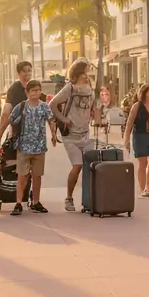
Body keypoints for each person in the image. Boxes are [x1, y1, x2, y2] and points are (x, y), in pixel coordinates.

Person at [50, 58, 103, 212]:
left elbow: (94, 107)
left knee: (92, 167)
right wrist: (64, 119)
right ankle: (69, 198)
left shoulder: (90, 89)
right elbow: (52, 104)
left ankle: (90, 199)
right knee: (77, 165)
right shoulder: (70, 88)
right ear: (79, 72)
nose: (88, 75)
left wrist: (97, 117)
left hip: (85, 134)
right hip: (71, 136)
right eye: (86, 72)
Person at [8, 79, 58, 216]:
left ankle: (36, 201)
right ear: (27, 92)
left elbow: (50, 120)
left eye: (38, 90)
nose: (36, 93)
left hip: (40, 147)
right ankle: (18, 203)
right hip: (24, 147)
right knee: (22, 176)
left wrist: (54, 134)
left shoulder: (44, 107)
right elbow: (11, 119)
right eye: (33, 90)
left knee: (37, 176)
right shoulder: (21, 106)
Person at [123, 83, 149, 197]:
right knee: (142, 162)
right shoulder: (137, 106)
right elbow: (130, 122)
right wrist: (126, 139)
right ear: (144, 94)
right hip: (140, 135)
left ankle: (148, 187)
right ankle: (142, 189)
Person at [0, 60, 32, 149]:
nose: (27, 73)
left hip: (35, 136)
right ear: (18, 73)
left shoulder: (34, 88)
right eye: (24, 71)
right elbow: (6, 113)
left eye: (29, 70)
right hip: (19, 133)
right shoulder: (14, 90)